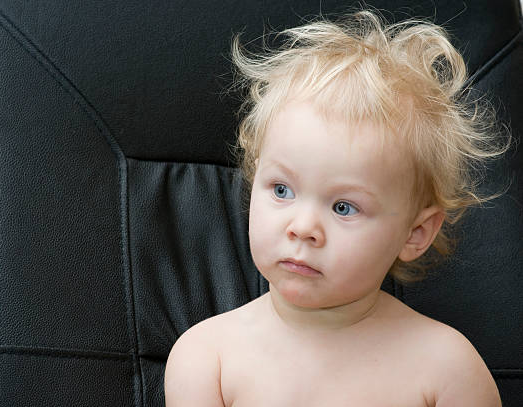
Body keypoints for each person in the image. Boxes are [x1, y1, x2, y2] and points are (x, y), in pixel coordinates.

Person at [164, 10, 509, 406]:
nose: (302, 227)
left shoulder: (448, 372)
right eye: (281, 189)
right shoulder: (208, 360)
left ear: (416, 234)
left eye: (344, 207)